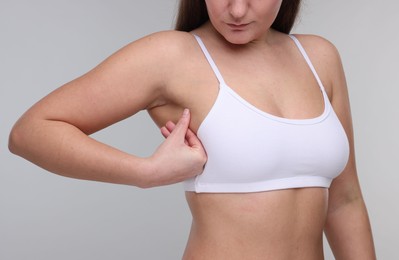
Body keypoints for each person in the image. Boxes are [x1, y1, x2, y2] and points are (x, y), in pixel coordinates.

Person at [9, 0, 376, 259]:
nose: (235, 9)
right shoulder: (173, 56)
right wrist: (145, 173)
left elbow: (345, 201)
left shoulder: (319, 58)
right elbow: (30, 131)